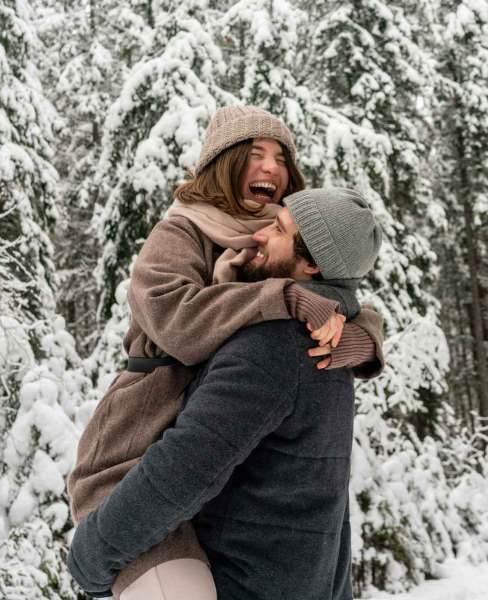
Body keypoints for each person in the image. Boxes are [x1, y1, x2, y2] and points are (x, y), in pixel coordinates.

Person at [66, 106, 385, 598]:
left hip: (201, 474)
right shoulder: (184, 231)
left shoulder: (286, 238)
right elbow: (175, 319)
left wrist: (354, 337)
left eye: (282, 158)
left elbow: (338, 286)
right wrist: (282, 297)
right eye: (255, 154)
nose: (271, 167)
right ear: (225, 162)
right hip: (137, 446)